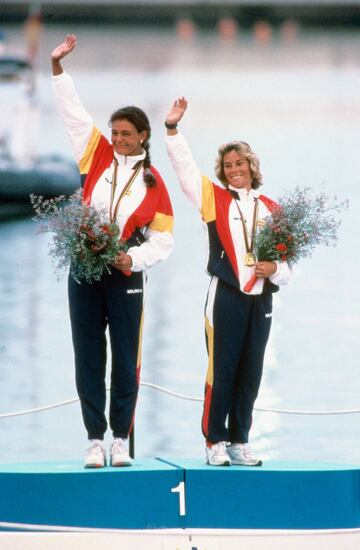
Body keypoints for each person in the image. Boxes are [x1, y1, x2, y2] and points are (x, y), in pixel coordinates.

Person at [51, 35, 174, 468]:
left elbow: (164, 239)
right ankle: (93, 440)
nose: (118, 139)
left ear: (143, 136)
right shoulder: (96, 155)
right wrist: (58, 69)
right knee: (87, 353)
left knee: (125, 357)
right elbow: (73, 115)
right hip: (84, 269)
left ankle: (120, 438)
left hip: (125, 273)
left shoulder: (155, 183)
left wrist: (132, 259)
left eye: (126, 134)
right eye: (115, 132)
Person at [165, 98, 291, 467]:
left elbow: (289, 263)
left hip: (262, 300)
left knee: (251, 372)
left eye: (240, 163)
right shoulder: (212, 199)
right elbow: (185, 169)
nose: (234, 169)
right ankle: (213, 442)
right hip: (226, 297)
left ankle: (240, 440)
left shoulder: (272, 208)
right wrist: (173, 130)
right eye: (227, 165)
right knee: (222, 371)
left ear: (252, 167)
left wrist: (275, 270)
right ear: (221, 171)